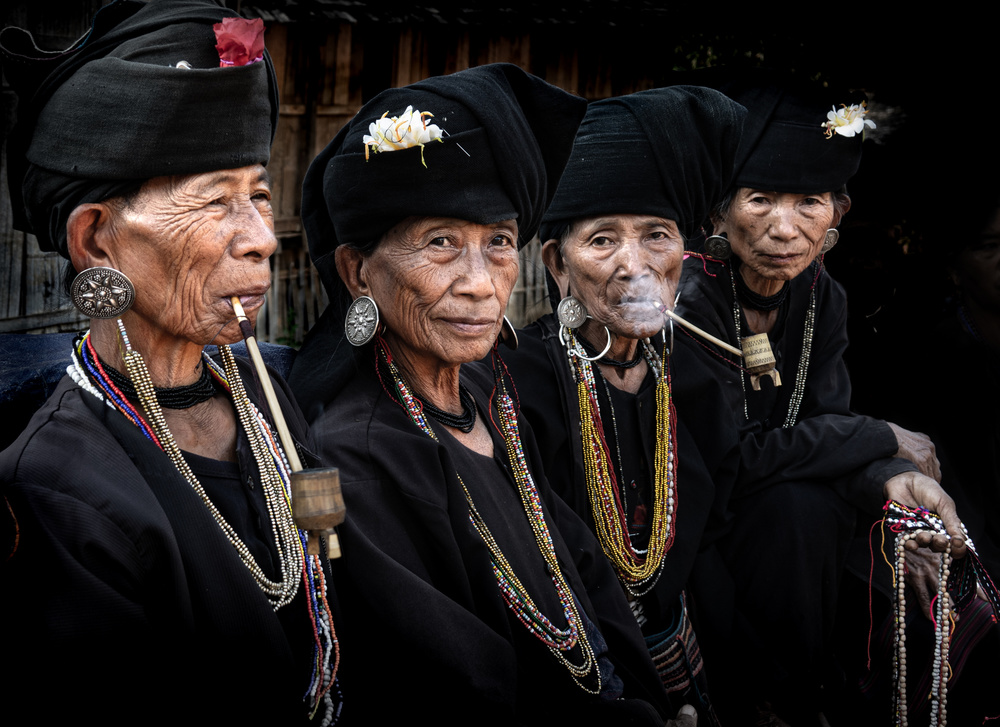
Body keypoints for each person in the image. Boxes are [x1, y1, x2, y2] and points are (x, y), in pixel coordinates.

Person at [288, 63, 694, 726]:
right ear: (357, 270)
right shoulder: (354, 455)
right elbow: (462, 680)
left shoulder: (487, 388)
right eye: (441, 243)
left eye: (499, 242)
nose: (480, 282)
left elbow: (577, 559)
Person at [0, 1, 342, 723]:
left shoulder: (259, 392)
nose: (263, 238)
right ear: (95, 240)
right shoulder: (59, 483)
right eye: (214, 201)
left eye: (257, 194)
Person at [670, 69, 975, 724]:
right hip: (696, 540)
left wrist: (890, 477)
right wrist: (883, 438)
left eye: (809, 202)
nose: (785, 227)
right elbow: (735, 464)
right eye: (759, 199)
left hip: (786, 540)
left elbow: (824, 420)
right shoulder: (686, 300)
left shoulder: (820, 295)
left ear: (838, 213)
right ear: (718, 208)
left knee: (900, 541)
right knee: (794, 507)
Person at [500, 86, 746, 727]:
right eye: (603, 240)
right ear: (557, 264)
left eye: (656, 236)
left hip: (684, 651)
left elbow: (726, 508)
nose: (634, 266)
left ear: (681, 255)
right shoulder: (516, 383)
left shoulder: (687, 371)